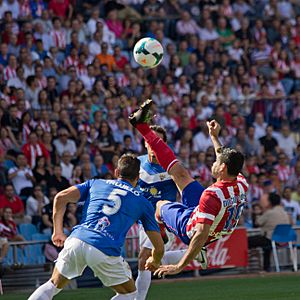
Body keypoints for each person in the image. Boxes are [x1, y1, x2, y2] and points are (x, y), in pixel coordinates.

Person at [129, 99, 248, 276]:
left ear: (222, 168)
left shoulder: (211, 194)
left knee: (160, 206)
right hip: (212, 219)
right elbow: (222, 156)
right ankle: (141, 126)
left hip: (191, 229)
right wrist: (214, 137)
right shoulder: (240, 180)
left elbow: (200, 234)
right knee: (181, 174)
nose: (213, 163)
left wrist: (179, 267)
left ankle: (161, 242)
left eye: (216, 162)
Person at [28, 154, 164, 300]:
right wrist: (155, 260)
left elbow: (61, 197)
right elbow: (159, 246)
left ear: (117, 172)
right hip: (104, 247)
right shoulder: (143, 202)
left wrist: (58, 231)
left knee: (52, 285)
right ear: (138, 177)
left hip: (77, 240)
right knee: (130, 293)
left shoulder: (96, 183)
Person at [135, 125, 179, 300]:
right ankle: (193, 254)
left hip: (163, 221)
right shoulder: (137, 163)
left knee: (144, 258)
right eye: (150, 141)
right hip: (143, 221)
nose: (153, 145)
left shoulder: (172, 167)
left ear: (165, 145)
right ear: (145, 143)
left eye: (158, 142)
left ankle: (139, 298)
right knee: (153, 260)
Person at [248, 193, 290, 272]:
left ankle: (247, 265)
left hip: (272, 239)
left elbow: (258, 222)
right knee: (265, 244)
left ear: (270, 202)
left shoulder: (270, 212)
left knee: (247, 240)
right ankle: (266, 267)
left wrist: (258, 213)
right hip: (284, 240)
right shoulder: (284, 212)